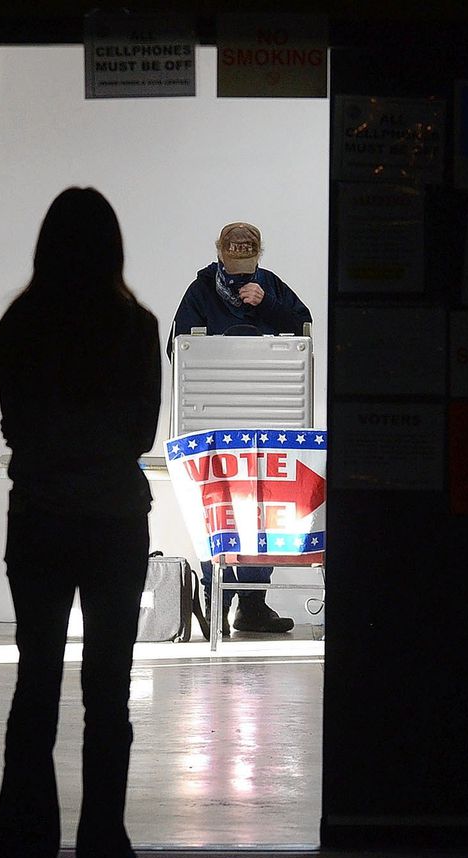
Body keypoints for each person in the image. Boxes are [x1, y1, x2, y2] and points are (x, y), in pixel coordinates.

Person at [0, 187, 159, 858]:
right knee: (108, 693)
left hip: (39, 519)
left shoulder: (19, 325)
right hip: (115, 520)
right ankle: (103, 853)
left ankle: (24, 851)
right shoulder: (135, 326)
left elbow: (16, 430)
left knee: (36, 684)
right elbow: (141, 435)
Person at [169, 222, 312, 634]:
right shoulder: (200, 291)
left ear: (259, 255)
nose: (240, 271)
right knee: (217, 511)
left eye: (247, 261)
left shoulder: (271, 286)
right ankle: (218, 603)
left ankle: (252, 605)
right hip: (213, 424)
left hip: (270, 419)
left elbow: (303, 329)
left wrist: (267, 305)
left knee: (266, 511)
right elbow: (178, 346)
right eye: (233, 261)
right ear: (219, 253)